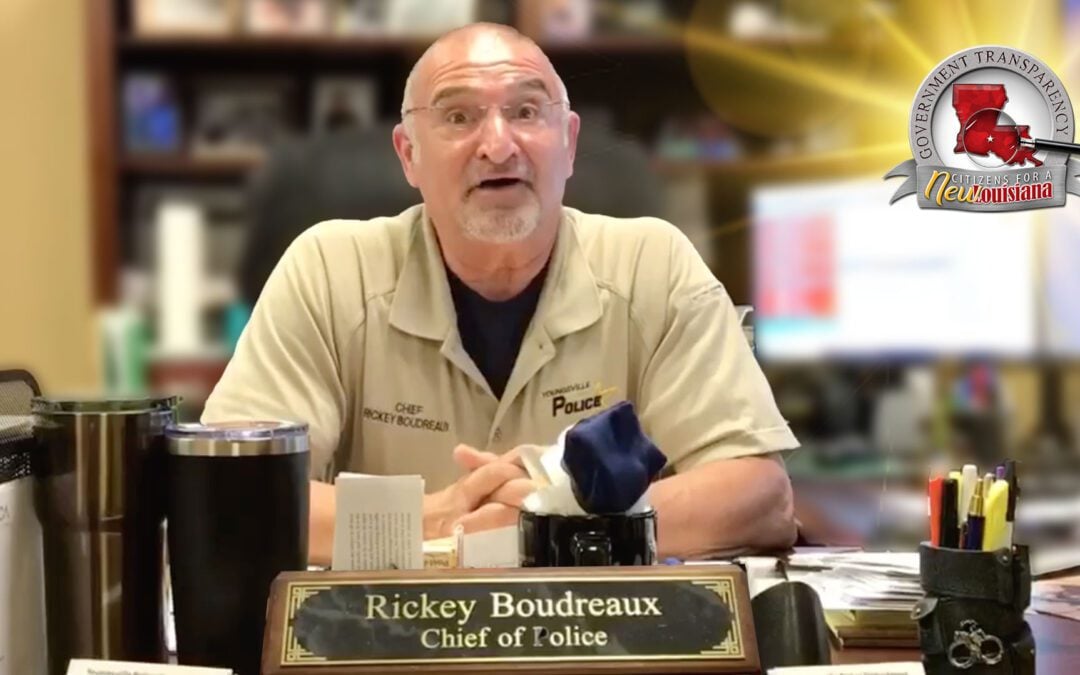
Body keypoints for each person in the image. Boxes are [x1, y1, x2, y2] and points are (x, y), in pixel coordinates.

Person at [203, 22, 799, 565]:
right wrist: (438, 518)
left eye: (526, 112)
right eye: (458, 116)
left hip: (604, 632)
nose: (498, 144)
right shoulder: (329, 272)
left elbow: (761, 497)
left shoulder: (654, 265)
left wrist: (555, 527)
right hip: (390, 632)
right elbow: (232, 498)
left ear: (568, 142)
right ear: (409, 155)